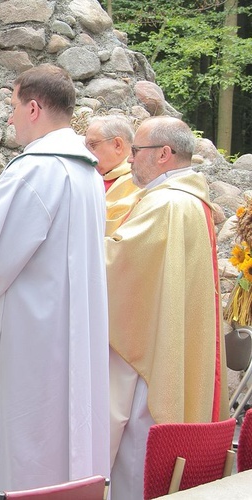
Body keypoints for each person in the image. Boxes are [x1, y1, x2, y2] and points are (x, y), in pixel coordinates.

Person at [0, 64, 110, 492]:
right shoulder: (89, 172)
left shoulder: (32, 171)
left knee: (25, 449)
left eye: (13, 106)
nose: (10, 117)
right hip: (70, 333)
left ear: (33, 107)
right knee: (65, 442)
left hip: (30, 343)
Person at [106, 116, 226, 499]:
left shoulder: (166, 204)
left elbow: (116, 263)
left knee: (136, 450)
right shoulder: (193, 200)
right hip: (172, 337)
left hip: (152, 352)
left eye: (136, 152)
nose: (130, 162)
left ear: (163, 154)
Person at [85, 115, 142, 235]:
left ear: (117, 145)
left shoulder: (139, 180)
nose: (87, 153)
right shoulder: (98, 175)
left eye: (93, 145)